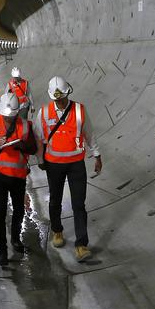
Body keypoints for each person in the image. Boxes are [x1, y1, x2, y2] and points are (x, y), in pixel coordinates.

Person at [36, 76, 102, 263]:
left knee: (79, 204)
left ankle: (82, 245)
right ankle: (57, 231)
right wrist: (40, 159)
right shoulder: (43, 113)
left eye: (62, 98)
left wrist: (96, 155)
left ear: (68, 93)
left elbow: (89, 133)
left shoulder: (79, 110)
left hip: (76, 164)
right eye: (56, 99)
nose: (60, 102)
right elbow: (38, 138)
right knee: (55, 200)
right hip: (54, 164)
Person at [0, 92, 38, 266]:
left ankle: (15, 239)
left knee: (19, 210)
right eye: (5, 116)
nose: (7, 119)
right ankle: (2, 251)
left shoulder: (26, 126)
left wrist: (21, 144)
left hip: (18, 177)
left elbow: (34, 148)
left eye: (10, 117)